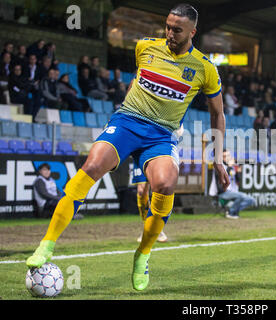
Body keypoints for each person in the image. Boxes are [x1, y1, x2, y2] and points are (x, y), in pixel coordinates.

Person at [26, 3, 230, 293]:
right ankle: (46, 246)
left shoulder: (205, 68)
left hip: (161, 136)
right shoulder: (145, 47)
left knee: (164, 183)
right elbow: (140, 78)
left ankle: (143, 254)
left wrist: (218, 157)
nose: (170, 33)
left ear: (192, 32)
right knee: (92, 166)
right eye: (168, 26)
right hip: (127, 122)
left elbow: (217, 113)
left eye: (177, 30)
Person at [214, 149, 256, 219]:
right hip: (223, 192)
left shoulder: (231, 167)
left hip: (233, 192)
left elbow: (238, 181)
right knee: (240, 196)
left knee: (251, 200)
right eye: (224, 156)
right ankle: (231, 212)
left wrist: (239, 170)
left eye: (228, 156)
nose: (227, 158)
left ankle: (234, 212)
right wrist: (230, 167)